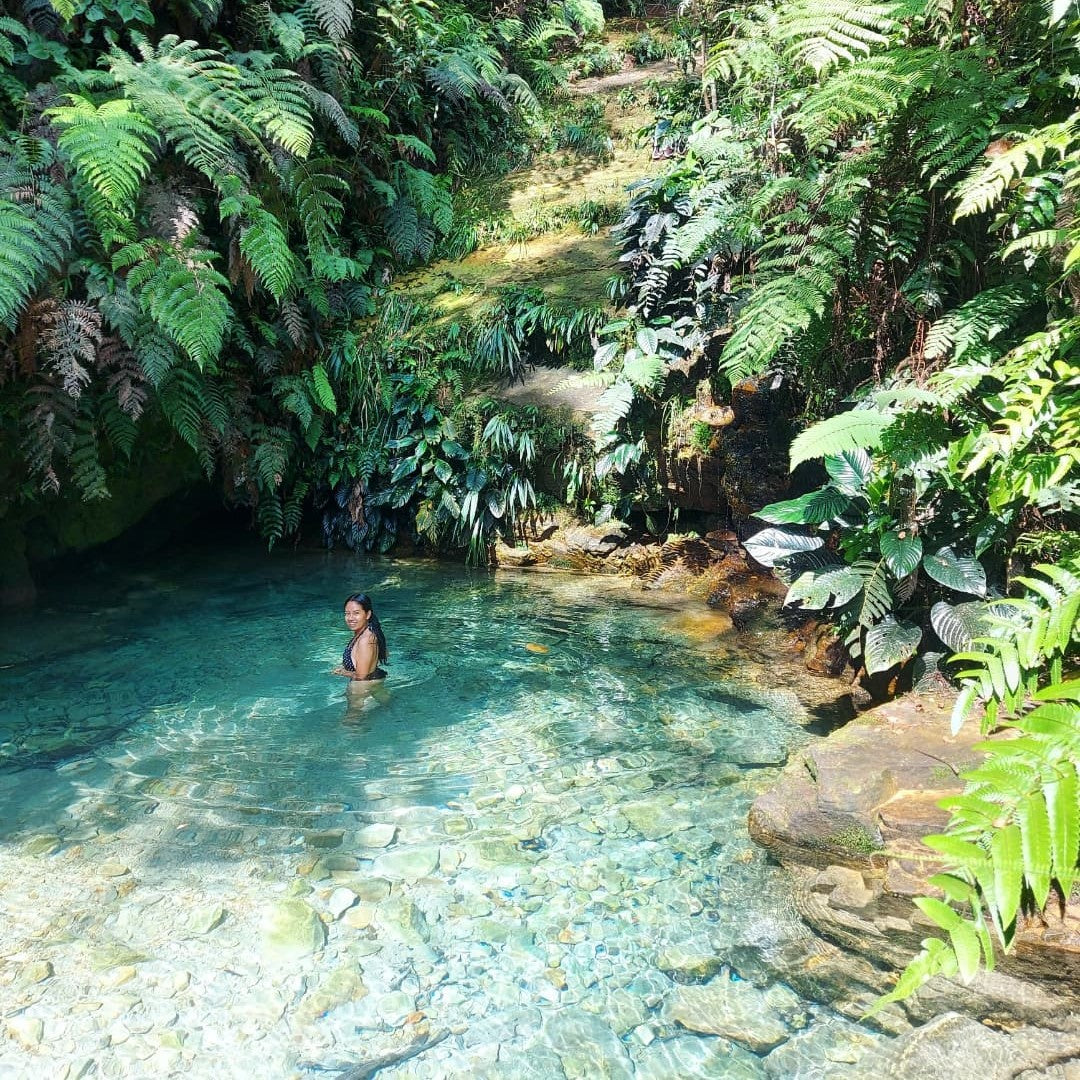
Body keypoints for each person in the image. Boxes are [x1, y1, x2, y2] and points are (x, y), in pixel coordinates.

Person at [333, 592, 388, 684]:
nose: (350, 618)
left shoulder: (365, 640)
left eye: (356, 613)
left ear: (368, 614)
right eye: (347, 613)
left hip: (360, 691)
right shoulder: (367, 633)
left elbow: (361, 677)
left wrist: (341, 672)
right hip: (369, 687)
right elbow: (385, 654)